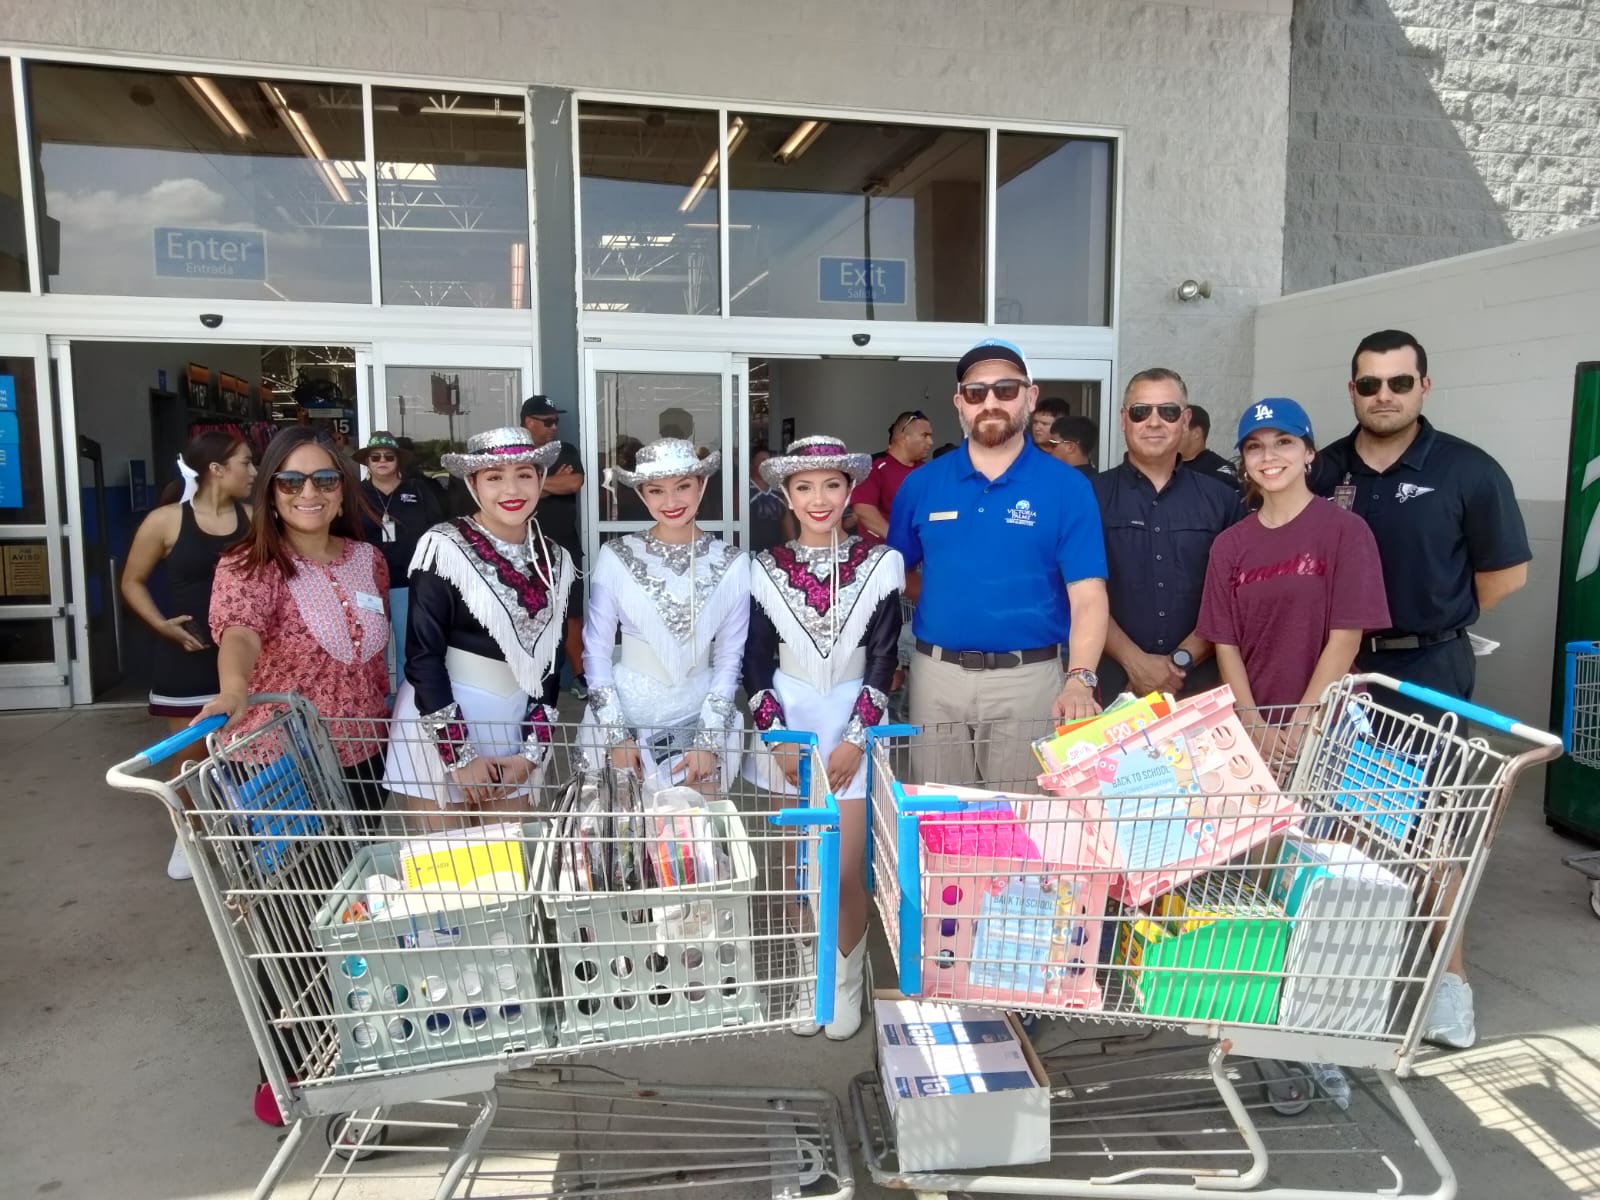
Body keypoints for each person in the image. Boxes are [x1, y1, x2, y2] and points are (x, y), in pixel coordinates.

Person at [1313, 328, 1531, 1052]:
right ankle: (1340, 982)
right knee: (1340, 830)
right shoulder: (1324, 468)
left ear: (1423, 387)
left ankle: (1449, 985)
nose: (1384, 396)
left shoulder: (1468, 470)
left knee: (1434, 833)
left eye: (1399, 383)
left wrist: (1434, 620)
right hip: (1341, 671)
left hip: (1427, 671)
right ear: (1352, 390)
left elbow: (1506, 575)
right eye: (1369, 384)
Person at [1196, 398, 1390, 1111]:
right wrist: (1254, 723)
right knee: (1261, 883)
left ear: (1310, 453)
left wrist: (1302, 722)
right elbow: (1223, 642)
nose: (1269, 456)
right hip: (1252, 736)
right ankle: (1263, 1025)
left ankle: (1319, 1037)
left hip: (1326, 730)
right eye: (1255, 446)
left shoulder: (1344, 531)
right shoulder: (1232, 545)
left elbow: (1346, 634)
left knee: (1321, 886)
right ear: (1243, 462)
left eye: (1284, 442)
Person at [889, 339, 1109, 788]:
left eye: (1005, 389)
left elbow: (1088, 595)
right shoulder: (922, 485)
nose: (990, 402)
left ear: (1030, 396)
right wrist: (945, 596)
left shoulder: (1067, 488)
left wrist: (1080, 679)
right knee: (939, 816)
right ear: (960, 403)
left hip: (1028, 679)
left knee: (1024, 819)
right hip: (937, 678)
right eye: (976, 392)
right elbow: (892, 574)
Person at [743, 436, 904, 1040]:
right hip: (789, 723)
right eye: (804, 487)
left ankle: (845, 983)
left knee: (843, 868)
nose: (818, 499)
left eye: (831, 485)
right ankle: (808, 979)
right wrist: (777, 738)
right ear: (787, 494)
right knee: (799, 870)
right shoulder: (763, 567)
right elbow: (754, 661)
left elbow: (884, 658)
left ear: (849, 490)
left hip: (852, 722)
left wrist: (856, 738)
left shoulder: (880, 562)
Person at [196, 426, 391, 817]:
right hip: (278, 761)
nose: (309, 493)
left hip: (365, 755)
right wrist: (233, 689)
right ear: (271, 492)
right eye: (291, 481)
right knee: (301, 861)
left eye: (325, 480)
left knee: (362, 855)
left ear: (342, 491)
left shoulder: (368, 560)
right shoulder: (250, 564)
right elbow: (241, 633)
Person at [382, 427, 573, 824]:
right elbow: (423, 657)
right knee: (445, 859)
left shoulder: (555, 558)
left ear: (540, 479)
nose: (511, 489)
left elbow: (551, 664)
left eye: (524, 473)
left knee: (509, 858)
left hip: (513, 729)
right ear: (472, 483)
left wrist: (531, 754)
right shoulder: (444, 546)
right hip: (439, 722)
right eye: (494, 477)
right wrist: (458, 753)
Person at [121, 431, 255, 880]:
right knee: (192, 758)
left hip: (246, 659)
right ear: (216, 469)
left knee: (249, 753)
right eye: (246, 463)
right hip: (187, 658)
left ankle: (250, 837)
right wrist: (161, 625)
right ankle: (188, 837)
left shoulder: (255, 519)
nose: (253, 472)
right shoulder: (165, 521)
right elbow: (132, 581)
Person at [581, 438, 750, 788]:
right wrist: (615, 734)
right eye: (656, 490)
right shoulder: (617, 555)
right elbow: (595, 650)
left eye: (683, 486)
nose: (671, 502)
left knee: (694, 824)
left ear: (701, 485)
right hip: (626, 721)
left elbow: (729, 657)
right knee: (622, 823)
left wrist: (708, 739)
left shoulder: (731, 561)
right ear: (642, 494)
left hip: (698, 720)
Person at [1094, 369, 1244, 702]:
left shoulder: (1222, 499)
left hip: (1201, 687)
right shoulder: (1089, 497)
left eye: (1168, 411)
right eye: (1141, 411)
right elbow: (1078, 593)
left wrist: (1179, 662)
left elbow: (1234, 596)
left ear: (1185, 420)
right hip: (1114, 685)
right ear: (1124, 419)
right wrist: (1136, 664)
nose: (1154, 422)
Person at [355, 430, 444, 693]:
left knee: (411, 650)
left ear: (398, 460)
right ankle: (379, 705)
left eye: (388, 456)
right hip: (367, 585)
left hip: (409, 582)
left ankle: (408, 705)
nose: (382, 461)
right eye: (375, 457)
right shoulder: (355, 494)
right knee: (373, 651)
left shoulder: (418, 490)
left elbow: (438, 530)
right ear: (367, 461)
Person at [520, 396, 589, 703]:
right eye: (548, 421)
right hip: (525, 550)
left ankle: (580, 677)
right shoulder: (517, 452)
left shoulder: (565, 450)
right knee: (531, 614)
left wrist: (532, 482)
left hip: (565, 548)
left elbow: (573, 483)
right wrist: (548, 481)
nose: (554, 427)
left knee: (572, 615)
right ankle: (532, 676)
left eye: (556, 421)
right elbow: (510, 491)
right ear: (529, 422)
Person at [851, 410, 932, 547]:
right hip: (882, 552)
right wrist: (898, 540)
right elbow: (863, 510)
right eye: (925, 435)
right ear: (904, 437)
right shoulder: (874, 466)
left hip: (922, 551)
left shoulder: (926, 470)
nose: (930, 442)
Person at [1180, 403, 1239, 484]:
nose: (1171, 435)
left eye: (1178, 430)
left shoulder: (1220, 470)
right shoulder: (1167, 467)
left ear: (1196, 433)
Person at [746, 448, 791, 553]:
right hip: (748, 552)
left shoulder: (780, 494)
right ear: (752, 464)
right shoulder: (742, 491)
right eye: (762, 461)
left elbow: (789, 529)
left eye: (769, 461)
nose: (766, 464)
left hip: (774, 554)